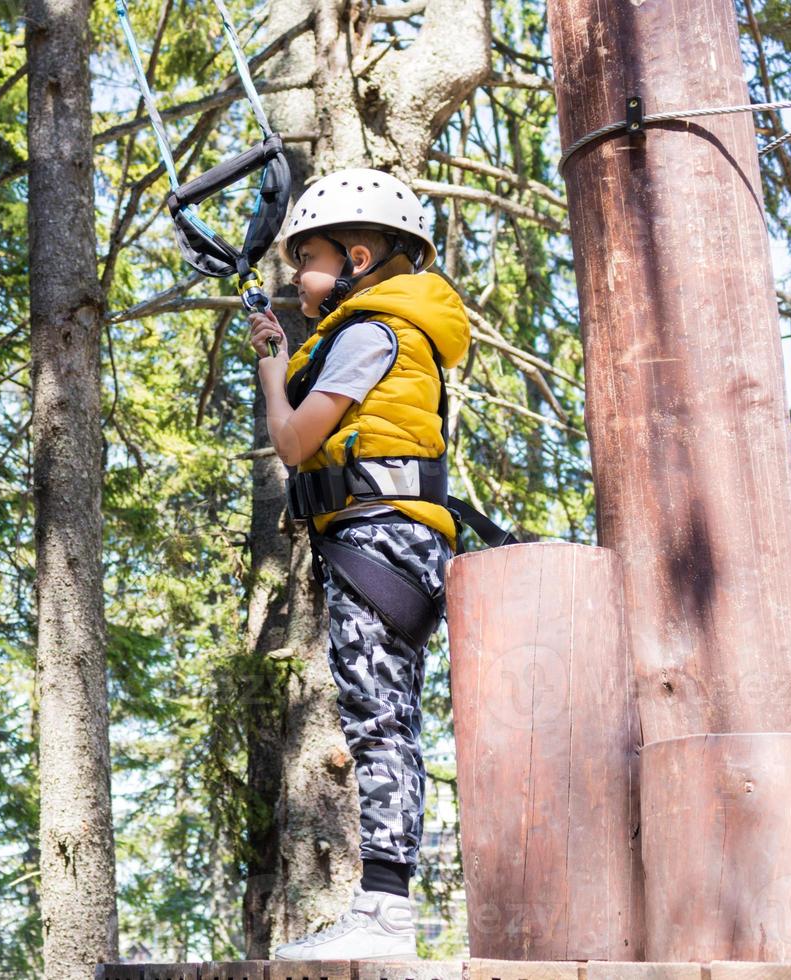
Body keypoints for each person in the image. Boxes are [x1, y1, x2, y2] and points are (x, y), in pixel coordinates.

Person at [246, 168, 471, 961]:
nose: (295, 273)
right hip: (393, 539)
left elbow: (297, 441)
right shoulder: (387, 329)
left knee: (379, 721)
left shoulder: (371, 331)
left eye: (306, 256)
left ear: (360, 255)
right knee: (389, 720)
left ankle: (384, 912)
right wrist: (284, 348)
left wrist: (274, 374)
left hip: (375, 537)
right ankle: (385, 903)